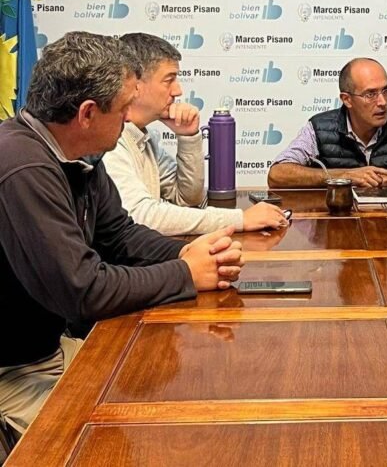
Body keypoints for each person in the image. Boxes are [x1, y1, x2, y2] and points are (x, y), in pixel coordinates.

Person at [0, 32, 243, 440]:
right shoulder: (23, 167)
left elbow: (120, 236)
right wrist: (185, 273)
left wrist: (190, 252)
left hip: (49, 350)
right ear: (87, 113)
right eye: (123, 107)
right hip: (13, 372)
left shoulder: (78, 156)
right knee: (106, 439)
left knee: (161, 400)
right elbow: (83, 291)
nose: (130, 118)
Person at [103, 33, 286, 236]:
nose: (178, 91)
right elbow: (140, 216)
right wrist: (239, 219)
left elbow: (187, 198)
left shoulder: (144, 138)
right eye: (169, 80)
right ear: (134, 84)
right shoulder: (108, 143)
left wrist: (188, 136)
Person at [267, 58, 387, 188]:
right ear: (347, 99)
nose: (382, 102)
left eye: (385, 91)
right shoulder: (319, 127)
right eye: (371, 94)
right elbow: (278, 174)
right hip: (337, 225)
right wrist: (345, 176)